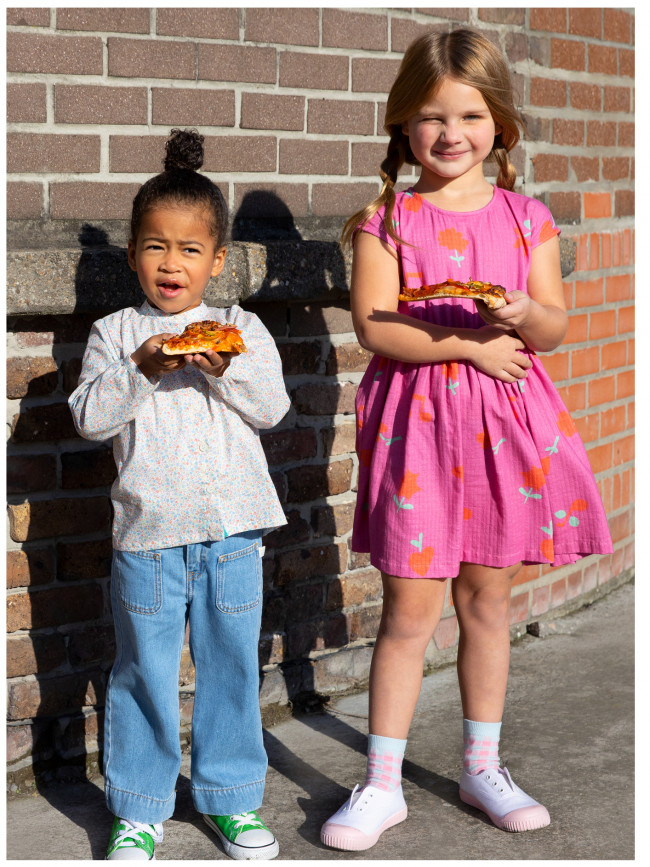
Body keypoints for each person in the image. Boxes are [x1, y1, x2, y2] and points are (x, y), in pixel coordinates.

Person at [320, 29, 613, 852]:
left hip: (504, 435)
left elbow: (553, 324)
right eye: (431, 116)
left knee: (489, 602)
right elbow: (378, 326)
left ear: (501, 124)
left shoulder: (528, 218)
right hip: (419, 429)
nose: (452, 133)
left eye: (471, 115)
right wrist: (468, 346)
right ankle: (381, 783)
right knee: (410, 612)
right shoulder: (387, 218)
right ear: (402, 126)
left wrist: (522, 317)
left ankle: (482, 765)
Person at [69, 128, 289, 861]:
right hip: (149, 536)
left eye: (191, 249)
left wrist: (222, 368)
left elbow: (273, 407)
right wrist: (145, 366)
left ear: (216, 261)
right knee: (143, 672)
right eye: (156, 246)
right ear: (135, 254)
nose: (172, 263)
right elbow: (91, 416)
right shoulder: (116, 333)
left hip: (233, 535)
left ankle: (231, 799)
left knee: (231, 666)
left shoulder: (240, 329)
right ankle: (137, 806)